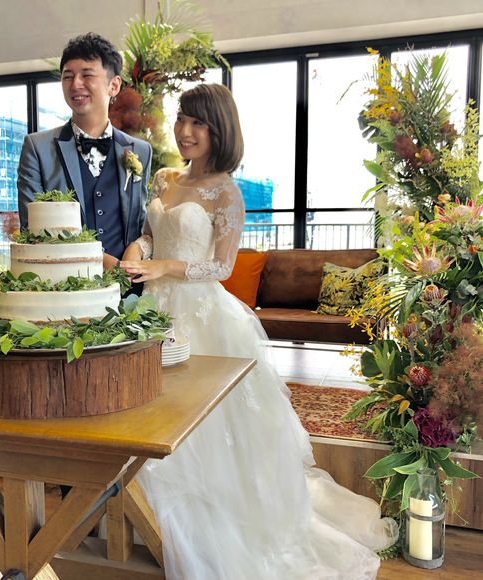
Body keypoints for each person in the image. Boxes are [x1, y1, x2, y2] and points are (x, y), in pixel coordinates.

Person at [121, 84, 398, 580]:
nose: (185, 131)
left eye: (198, 123)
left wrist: (165, 266)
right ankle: (141, 523)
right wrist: (138, 251)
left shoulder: (226, 192)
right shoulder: (163, 178)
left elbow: (222, 267)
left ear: (219, 130)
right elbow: (150, 233)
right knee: (149, 413)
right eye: (182, 118)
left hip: (201, 317)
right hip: (152, 312)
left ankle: (215, 526)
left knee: (205, 426)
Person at [17, 32, 153, 270]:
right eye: (68, 76)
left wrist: (136, 254)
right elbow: (33, 228)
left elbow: (142, 224)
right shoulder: (37, 148)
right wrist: (102, 261)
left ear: (114, 85)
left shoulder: (140, 151)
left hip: (129, 285)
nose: (75, 84)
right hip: (65, 282)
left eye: (87, 75)